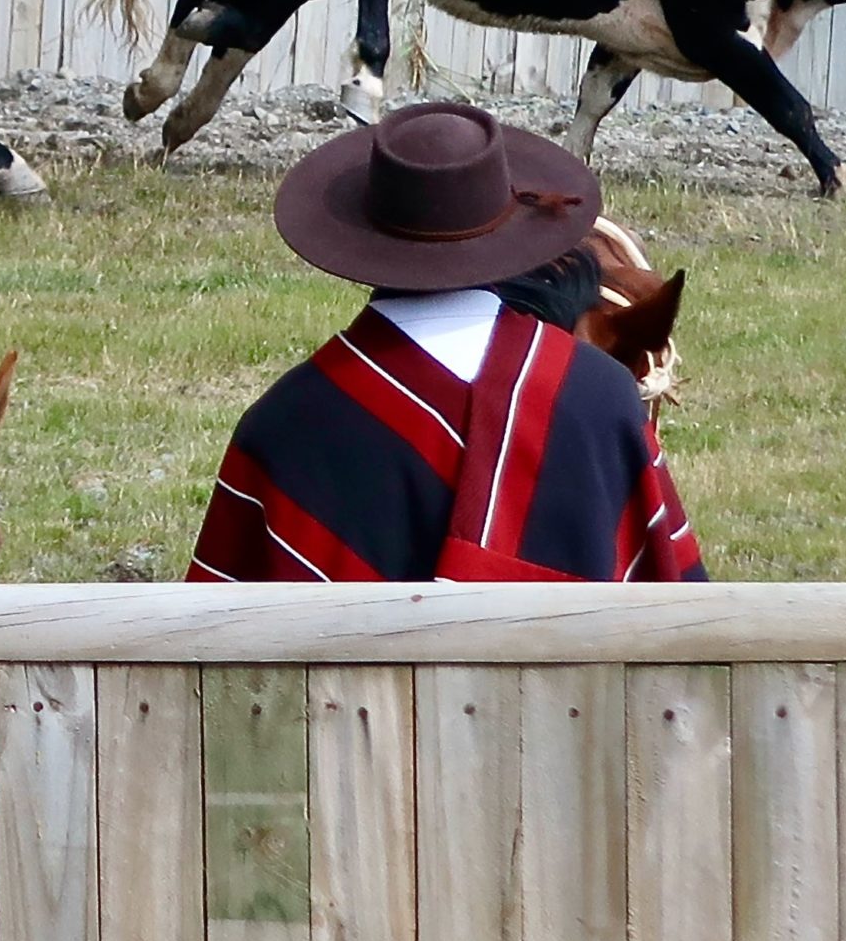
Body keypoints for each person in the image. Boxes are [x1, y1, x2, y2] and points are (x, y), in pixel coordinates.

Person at [186, 103, 704, 584]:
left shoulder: (282, 424)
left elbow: (220, 646)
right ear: (508, 225)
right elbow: (673, 614)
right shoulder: (601, 395)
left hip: (342, 688)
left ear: (364, 237)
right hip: (573, 687)